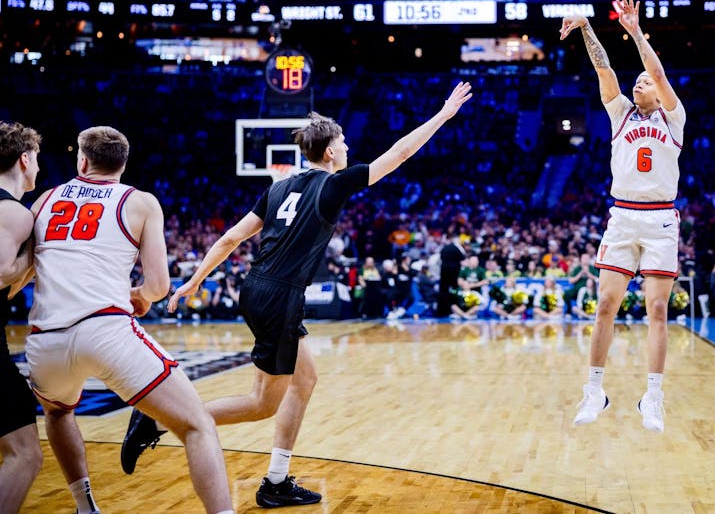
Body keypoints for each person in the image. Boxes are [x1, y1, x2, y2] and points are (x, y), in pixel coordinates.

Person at [127, 82, 472, 509]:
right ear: (329, 152)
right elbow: (399, 154)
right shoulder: (333, 185)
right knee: (261, 404)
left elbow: (232, 238)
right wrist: (443, 115)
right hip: (280, 297)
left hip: (258, 288)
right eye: (343, 142)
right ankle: (160, 417)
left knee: (304, 379)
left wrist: (195, 281)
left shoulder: (277, 188)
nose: (347, 148)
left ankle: (276, 480)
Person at [24, 126, 233, 514]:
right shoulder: (140, 202)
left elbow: (26, 267)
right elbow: (157, 285)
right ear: (122, 164)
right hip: (104, 330)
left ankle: (86, 508)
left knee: (57, 411)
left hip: (45, 338)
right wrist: (138, 296)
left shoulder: (44, 200)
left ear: (81, 160)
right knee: (197, 424)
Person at [559, 0, 685, 433]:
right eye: (637, 82)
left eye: (644, 83)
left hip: (661, 219)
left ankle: (654, 397)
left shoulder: (673, 116)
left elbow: (658, 72)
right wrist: (587, 27)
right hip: (623, 215)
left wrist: (633, 31)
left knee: (656, 309)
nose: (639, 84)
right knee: (606, 304)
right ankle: (595, 391)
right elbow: (604, 69)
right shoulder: (620, 115)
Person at [0, 121, 43, 514]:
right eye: (38, 160)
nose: (39, 168)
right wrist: (35, 254)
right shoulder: (14, 212)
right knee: (25, 454)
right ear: (24, 159)